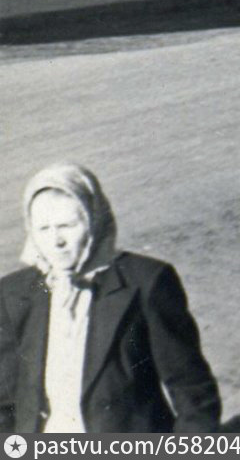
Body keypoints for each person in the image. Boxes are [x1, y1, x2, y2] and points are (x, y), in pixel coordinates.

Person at [0, 164, 220, 433]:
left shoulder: (145, 282)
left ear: (94, 220)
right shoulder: (14, 293)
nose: (56, 241)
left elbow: (194, 395)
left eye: (67, 226)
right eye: (43, 229)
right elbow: (4, 400)